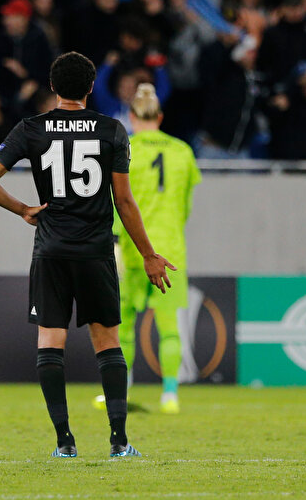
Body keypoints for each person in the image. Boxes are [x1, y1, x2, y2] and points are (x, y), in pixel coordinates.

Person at [0, 51, 175, 459]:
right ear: (90, 88)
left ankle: (64, 441)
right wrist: (149, 254)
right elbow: (123, 199)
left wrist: (23, 209)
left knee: (51, 341)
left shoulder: (31, 128)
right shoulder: (111, 130)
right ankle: (119, 441)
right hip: (95, 250)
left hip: (50, 249)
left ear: (53, 87)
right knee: (107, 342)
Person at [93, 84, 200, 415]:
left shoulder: (125, 148)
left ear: (133, 117)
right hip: (170, 251)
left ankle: (120, 392)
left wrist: (113, 240)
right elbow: (186, 207)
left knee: (122, 327)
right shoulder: (183, 151)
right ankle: (170, 395)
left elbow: (116, 201)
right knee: (169, 328)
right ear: (160, 116)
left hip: (129, 249)